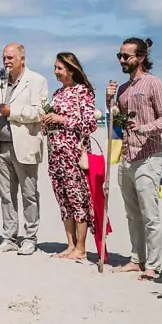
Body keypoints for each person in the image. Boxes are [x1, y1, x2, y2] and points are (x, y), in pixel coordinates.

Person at [106, 37, 162, 280]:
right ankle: (136, 259)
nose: (122, 60)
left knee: (149, 214)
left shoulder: (155, 84)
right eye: (119, 56)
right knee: (131, 213)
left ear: (141, 57)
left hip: (149, 156)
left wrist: (144, 128)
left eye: (127, 56)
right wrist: (109, 101)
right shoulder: (122, 89)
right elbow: (115, 124)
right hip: (126, 155)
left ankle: (153, 265)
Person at [0, 43, 48, 256]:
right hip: (1, 146)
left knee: (29, 194)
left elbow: (39, 113)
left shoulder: (37, 80)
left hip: (25, 145)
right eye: (4, 58)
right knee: (6, 195)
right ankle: (9, 236)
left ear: (22, 59)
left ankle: (30, 238)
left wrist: (13, 111)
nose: (6, 61)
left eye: (10, 58)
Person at [41, 53, 98, 260]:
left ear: (71, 70)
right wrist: (46, 122)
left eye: (59, 68)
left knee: (78, 198)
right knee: (63, 199)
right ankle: (70, 244)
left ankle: (81, 247)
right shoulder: (57, 93)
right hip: (55, 153)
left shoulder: (82, 92)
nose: (56, 72)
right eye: (55, 68)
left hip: (74, 153)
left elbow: (90, 124)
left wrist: (62, 119)